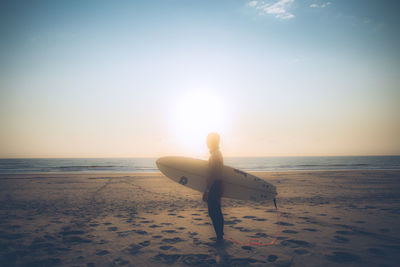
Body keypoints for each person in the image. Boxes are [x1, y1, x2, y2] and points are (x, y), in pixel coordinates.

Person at [202, 132, 224, 241]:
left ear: (212, 142)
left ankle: (219, 237)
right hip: (217, 185)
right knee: (216, 211)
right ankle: (220, 236)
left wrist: (207, 190)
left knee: (214, 211)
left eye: (208, 140)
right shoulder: (217, 153)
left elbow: (212, 175)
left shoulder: (215, 155)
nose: (206, 142)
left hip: (214, 185)